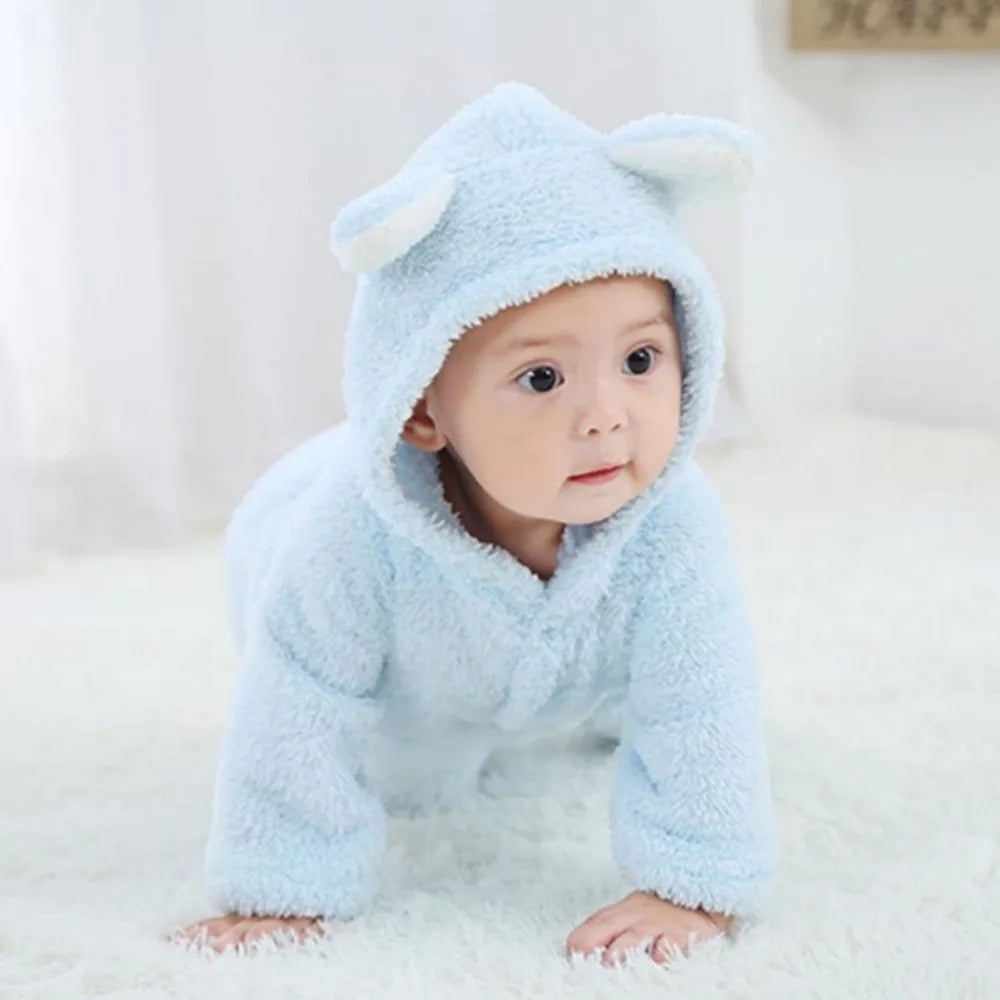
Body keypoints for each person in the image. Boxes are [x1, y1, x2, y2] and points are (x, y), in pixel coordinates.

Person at [169, 81, 776, 968]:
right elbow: (295, 708)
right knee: (412, 774)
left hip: (564, 661)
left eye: (642, 358)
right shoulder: (342, 541)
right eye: (542, 379)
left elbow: (701, 699)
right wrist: (280, 888)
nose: (607, 416)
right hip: (390, 671)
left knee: (638, 685)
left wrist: (692, 884)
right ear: (421, 409)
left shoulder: (675, 521)